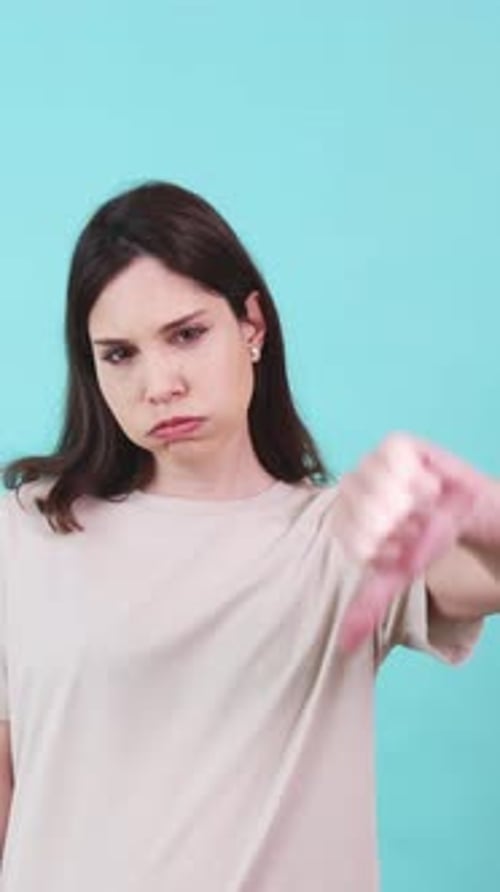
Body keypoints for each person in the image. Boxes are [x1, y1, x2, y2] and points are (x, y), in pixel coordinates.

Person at [0, 181, 498, 892]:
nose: (159, 383)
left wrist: (485, 511)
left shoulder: (339, 541)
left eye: (187, 334)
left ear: (252, 326)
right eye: (119, 354)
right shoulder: (26, 533)